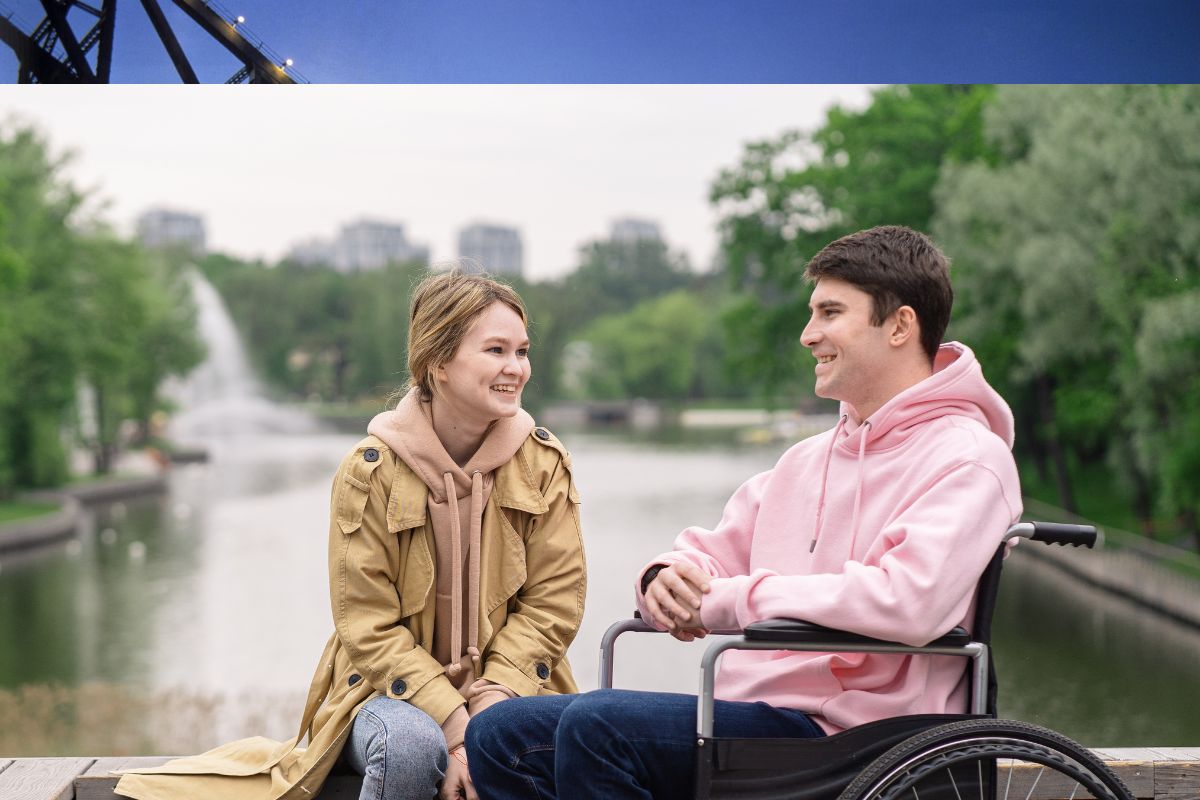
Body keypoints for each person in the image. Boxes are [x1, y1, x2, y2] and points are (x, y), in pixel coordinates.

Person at [466, 226, 1022, 800]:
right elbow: (712, 552)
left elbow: (907, 601)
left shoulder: (968, 457)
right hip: (756, 713)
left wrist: (728, 601)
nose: (809, 335)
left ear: (901, 325)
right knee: (499, 733)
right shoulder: (806, 461)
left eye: (830, 313)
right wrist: (665, 580)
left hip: (867, 734)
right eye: (812, 313)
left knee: (598, 725)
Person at [116, 271, 586, 800]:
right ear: (439, 364)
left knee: (559, 746)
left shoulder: (545, 464)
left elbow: (553, 604)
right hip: (388, 694)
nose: (515, 368)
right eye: (496, 350)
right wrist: (455, 728)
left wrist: (488, 715)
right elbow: (367, 623)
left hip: (514, 689)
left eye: (521, 351)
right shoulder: (370, 471)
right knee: (409, 747)